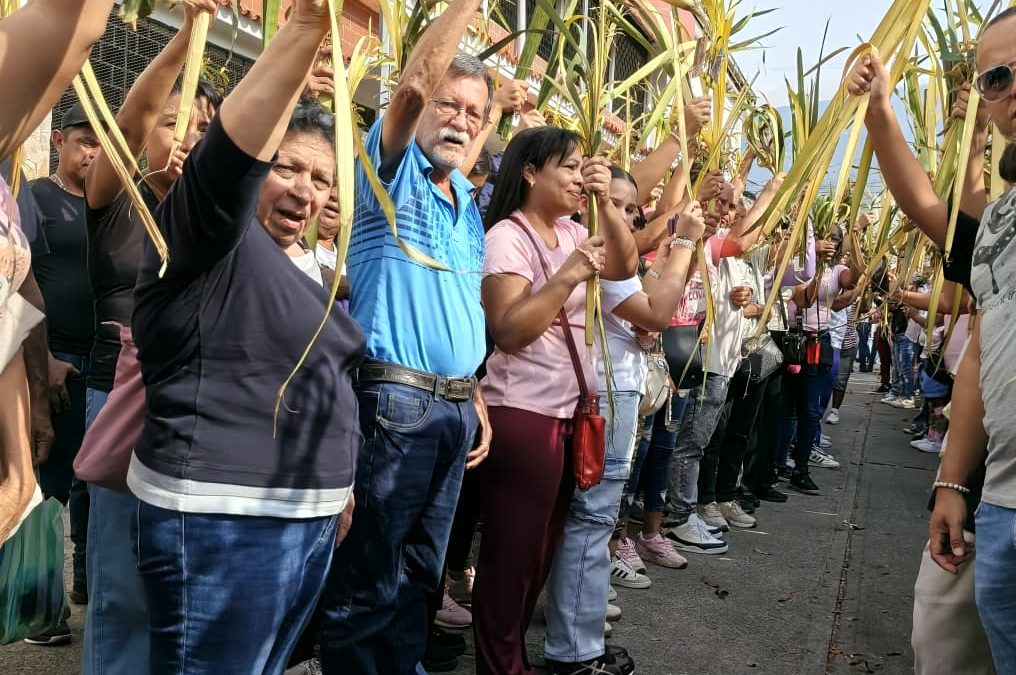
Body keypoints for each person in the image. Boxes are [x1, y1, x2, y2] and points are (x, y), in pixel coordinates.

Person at [127, 3, 363, 669]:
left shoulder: (314, 269)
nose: (306, 191)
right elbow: (230, 159)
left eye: (323, 179)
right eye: (287, 168)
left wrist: (338, 485)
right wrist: (306, 29)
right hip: (225, 521)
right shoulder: (206, 236)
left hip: (304, 518)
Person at [317, 0, 496, 670]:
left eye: (474, 114)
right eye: (450, 105)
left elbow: (456, 310)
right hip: (397, 405)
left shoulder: (466, 206)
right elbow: (415, 84)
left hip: (452, 407)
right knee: (369, 579)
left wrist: (473, 391)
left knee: (421, 575)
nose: (460, 121)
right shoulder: (385, 170)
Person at [852, 9, 1016, 671]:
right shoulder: (1001, 223)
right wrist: (952, 482)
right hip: (997, 498)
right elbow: (979, 350)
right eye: (998, 78)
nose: (1012, 89)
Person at [79, 3, 221, 671]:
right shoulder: (118, 200)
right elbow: (133, 118)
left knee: (181, 587)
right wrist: (189, 36)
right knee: (122, 590)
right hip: (119, 400)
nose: (189, 137)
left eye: (203, 129)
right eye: (176, 123)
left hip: (194, 408)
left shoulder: (213, 219)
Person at [472, 125, 637, 675]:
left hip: (567, 416)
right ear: (529, 173)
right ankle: (500, 666)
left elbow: (625, 266)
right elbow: (509, 331)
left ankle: (510, 658)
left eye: (581, 166)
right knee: (511, 558)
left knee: (540, 554)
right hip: (523, 414)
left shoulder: (572, 230)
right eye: (568, 166)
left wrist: (605, 204)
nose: (577, 176)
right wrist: (567, 277)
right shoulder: (507, 237)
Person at [542, 166, 703, 674]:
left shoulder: (607, 256)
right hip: (604, 400)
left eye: (632, 208)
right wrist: (684, 243)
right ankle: (574, 651)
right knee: (591, 521)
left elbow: (644, 304)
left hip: (613, 397)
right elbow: (655, 314)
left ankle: (580, 639)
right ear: (586, 202)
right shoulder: (594, 251)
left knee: (595, 519)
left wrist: (670, 254)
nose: (627, 217)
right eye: (612, 203)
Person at [19, 101, 99, 645]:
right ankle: (39, 609)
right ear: (58, 143)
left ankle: (85, 585)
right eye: (83, 142)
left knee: (93, 482)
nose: (92, 153)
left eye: (101, 144)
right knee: (51, 488)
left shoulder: (109, 202)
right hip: (56, 360)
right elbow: (18, 282)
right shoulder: (36, 198)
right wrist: (43, 360)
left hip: (105, 362)